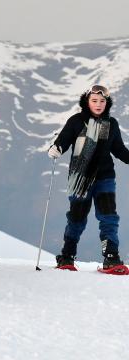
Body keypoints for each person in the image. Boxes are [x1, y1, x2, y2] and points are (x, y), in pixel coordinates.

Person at [48, 85, 129, 271]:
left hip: (105, 178)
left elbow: (119, 150)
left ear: (107, 103)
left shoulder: (111, 123)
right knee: (77, 218)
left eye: (102, 101)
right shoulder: (77, 121)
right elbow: (64, 140)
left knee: (109, 217)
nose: (98, 104)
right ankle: (67, 256)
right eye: (94, 101)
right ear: (87, 102)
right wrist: (56, 148)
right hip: (80, 178)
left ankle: (111, 256)